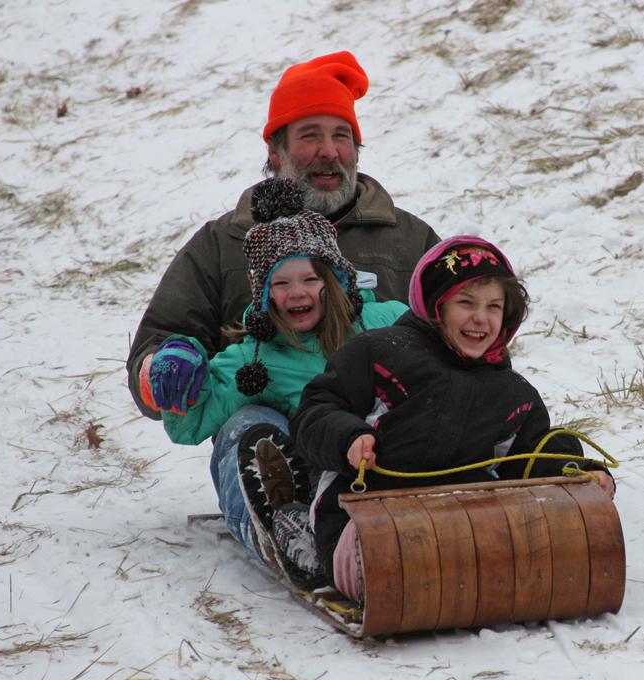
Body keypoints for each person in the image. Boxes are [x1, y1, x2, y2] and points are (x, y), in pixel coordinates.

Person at [244, 236, 615, 598]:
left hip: (459, 521)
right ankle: (298, 529)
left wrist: (575, 471)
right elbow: (317, 411)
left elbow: (533, 452)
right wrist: (350, 438)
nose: (480, 319)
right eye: (465, 303)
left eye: (493, 307)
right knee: (384, 574)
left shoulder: (512, 393)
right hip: (365, 512)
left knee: (516, 558)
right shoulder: (379, 352)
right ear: (437, 307)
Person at [127, 51, 439, 420]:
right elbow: (157, 342)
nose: (329, 151)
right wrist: (166, 367)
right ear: (275, 153)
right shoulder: (223, 243)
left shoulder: (408, 239)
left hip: (393, 433)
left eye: (342, 136)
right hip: (270, 438)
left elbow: (467, 330)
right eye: (310, 136)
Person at [140, 177, 407, 562]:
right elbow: (189, 425)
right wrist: (182, 369)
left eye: (310, 279)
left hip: (387, 462)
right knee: (247, 427)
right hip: (319, 479)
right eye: (281, 283)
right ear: (264, 293)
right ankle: (278, 529)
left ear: (334, 282)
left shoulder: (387, 322)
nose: (297, 293)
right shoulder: (255, 360)